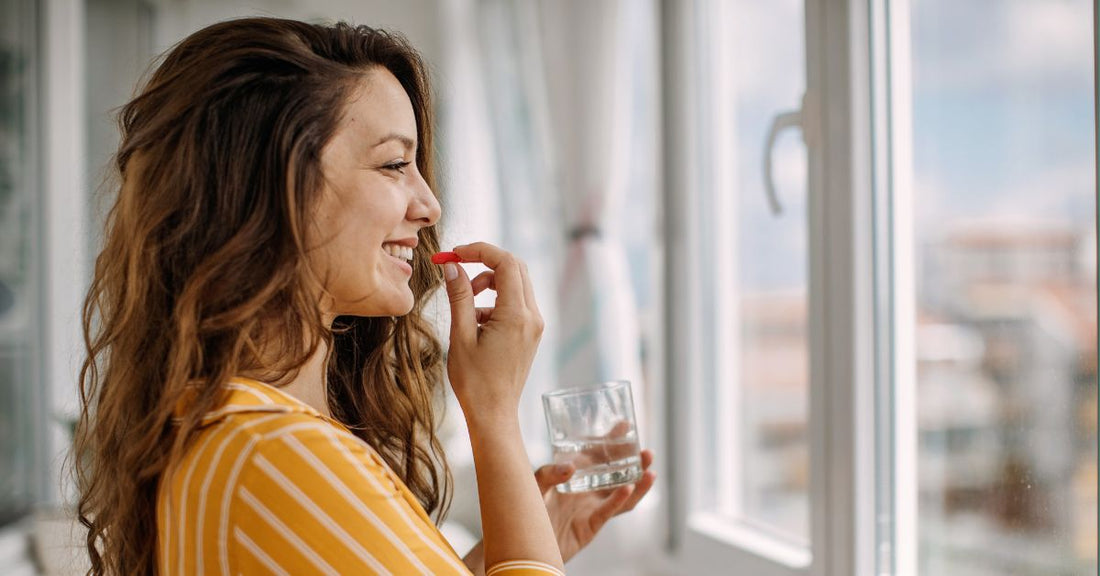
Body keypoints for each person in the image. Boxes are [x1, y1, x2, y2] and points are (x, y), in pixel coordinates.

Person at [73, 16, 656, 576]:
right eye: (395, 164)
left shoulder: (234, 427)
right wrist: (495, 412)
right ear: (276, 191)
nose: (429, 206)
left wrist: (523, 541)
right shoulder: (281, 454)